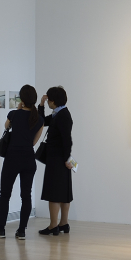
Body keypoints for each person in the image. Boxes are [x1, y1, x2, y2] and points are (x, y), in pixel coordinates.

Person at [0, 84, 44, 240]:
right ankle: (21, 231)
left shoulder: (14, 114)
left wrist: (19, 109)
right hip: (28, 159)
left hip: (12, 158)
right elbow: (34, 142)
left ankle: (1, 229)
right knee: (26, 195)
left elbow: (6, 126)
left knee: (5, 194)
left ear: (22, 99)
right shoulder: (39, 119)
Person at [37, 86, 74, 236]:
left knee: (54, 193)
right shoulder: (59, 114)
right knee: (64, 192)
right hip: (61, 158)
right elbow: (41, 121)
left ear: (53, 101)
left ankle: (54, 225)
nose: (47, 103)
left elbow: (67, 140)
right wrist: (40, 105)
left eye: (48, 101)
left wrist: (66, 159)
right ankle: (63, 223)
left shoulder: (62, 115)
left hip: (58, 159)